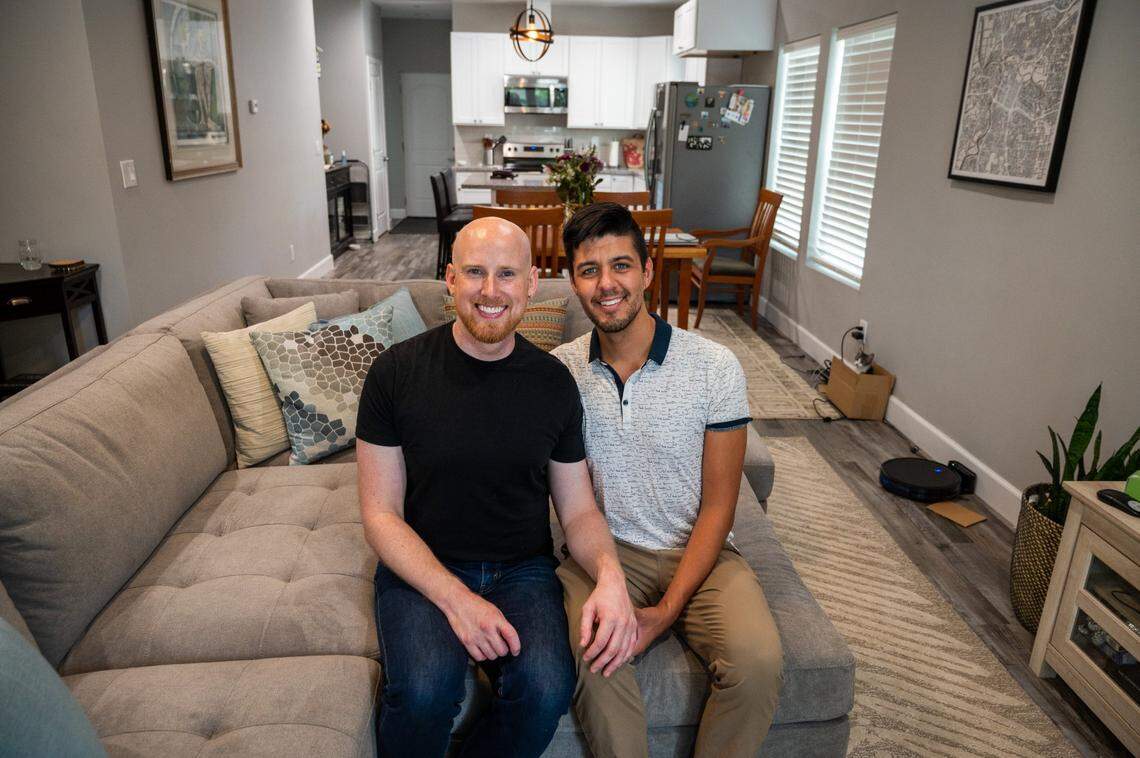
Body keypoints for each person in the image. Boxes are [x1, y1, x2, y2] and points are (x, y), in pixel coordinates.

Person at [355, 216, 638, 758]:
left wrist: (610, 576)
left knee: (545, 689)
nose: (490, 291)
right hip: (424, 566)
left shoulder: (554, 384)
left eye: (507, 274)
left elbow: (577, 513)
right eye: (475, 273)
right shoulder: (395, 373)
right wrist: (457, 599)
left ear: (532, 283)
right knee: (424, 691)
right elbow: (381, 515)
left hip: (521, 569)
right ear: (451, 278)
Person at [552, 203, 784, 758]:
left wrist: (664, 612)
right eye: (589, 270)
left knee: (758, 663)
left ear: (648, 272)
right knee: (595, 654)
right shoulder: (559, 372)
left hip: (701, 554)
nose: (607, 284)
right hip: (604, 556)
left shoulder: (714, 366)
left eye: (621, 266)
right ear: (573, 283)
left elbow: (720, 507)